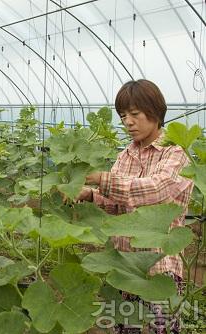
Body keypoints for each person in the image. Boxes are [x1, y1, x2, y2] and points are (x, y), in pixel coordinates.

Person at [76, 79, 194, 333]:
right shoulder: (125, 155)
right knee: (124, 328)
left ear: (154, 112)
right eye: (123, 116)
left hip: (159, 267)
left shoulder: (175, 152)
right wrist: (90, 195)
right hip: (126, 265)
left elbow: (157, 189)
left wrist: (103, 180)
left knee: (160, 329)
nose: (128, 121)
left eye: (134, 114)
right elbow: (116, 203)